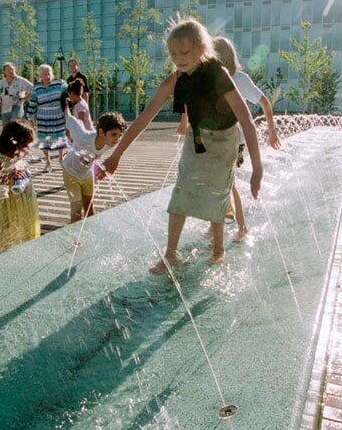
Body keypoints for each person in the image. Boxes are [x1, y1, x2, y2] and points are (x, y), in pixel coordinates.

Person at [99, 16, 263, 271]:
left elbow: (247, 120)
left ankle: (218, 248)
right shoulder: (177, 78)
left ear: (201, 48)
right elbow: (144, 118)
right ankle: (171, 253)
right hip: (196, 136)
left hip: (225, 138)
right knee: (182, 188)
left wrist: (257, 168)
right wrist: (116, 156)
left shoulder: (218, 74)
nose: (178, 58)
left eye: (184, 52)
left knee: (218, 190)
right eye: (173, 53)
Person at [178, 36, 280, 242]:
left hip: (233, 141)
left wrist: (272, 132)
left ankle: (241, 227)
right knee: (217, 181)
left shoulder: (240, 79)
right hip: (212, 139)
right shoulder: (209, 79)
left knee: (226, 183)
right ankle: (219, 224)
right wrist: (185, 122)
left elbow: (265, 103)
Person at [0, 121, 41, 252]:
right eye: (27, 143)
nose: (29, 147)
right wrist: (7, 176)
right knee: (9, 239)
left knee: (28, 237)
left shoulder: (21, 157)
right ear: (16, 141)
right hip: (8, 207)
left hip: (26, 204)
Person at [62, 106, 126, 223]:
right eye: (114, 134)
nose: (117, 139)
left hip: (86, 174)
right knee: (76, 210)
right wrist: (66, 106)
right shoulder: (83, 137)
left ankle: (90, 235)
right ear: (101, 132)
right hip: (70, 172)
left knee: (89, 209)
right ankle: (74, 238)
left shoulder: (109, 143)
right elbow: (70, 119)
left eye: (119, 135)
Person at [27, 64, 68, 172]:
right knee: (44, 139)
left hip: (57, 114)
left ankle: (61, 159)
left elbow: (69, 94)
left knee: (60, 137)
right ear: (40, 76)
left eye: (49, 73)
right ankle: (48, 162)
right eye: (44, 74)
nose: (47, 76)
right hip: (43, 117)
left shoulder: (60, 84)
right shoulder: (37, 88)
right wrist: (30, 118)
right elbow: (32, 103)